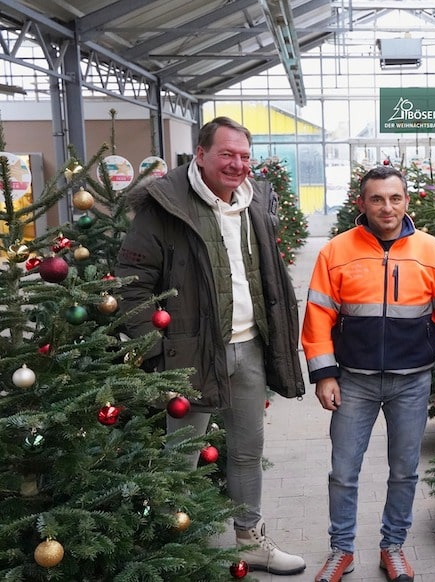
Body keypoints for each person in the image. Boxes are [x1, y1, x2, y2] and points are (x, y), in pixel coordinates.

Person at [115, 116, 306, 575]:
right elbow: (131, 284)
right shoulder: (166, 206)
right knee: (181, 453)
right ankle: (173, 546)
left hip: (249, 347)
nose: (237, 164)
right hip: (190, 354)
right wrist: (157, 349)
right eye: (227, 154)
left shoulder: (255, 201)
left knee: (246, 450)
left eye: (244, 156)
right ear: (200, 155)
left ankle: (250, 540)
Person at [301, 164, 435, 582]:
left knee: (404, 471)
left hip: (413, 381)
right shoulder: (336, 251)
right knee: (343, 471)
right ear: (362, 203)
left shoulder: (434, 252)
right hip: (354, 381)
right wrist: (324, 374)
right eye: (377, 199)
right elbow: (317, 316)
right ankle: (341, 550)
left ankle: (393, 547)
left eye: (395, 198)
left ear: (407, 201)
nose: (387, 207)